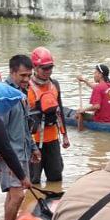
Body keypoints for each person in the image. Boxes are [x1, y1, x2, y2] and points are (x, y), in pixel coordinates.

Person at [0, 54, 41, 220]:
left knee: (12, 195)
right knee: (18, 196)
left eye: (29, 75)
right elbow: (0, 131)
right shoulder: (6, 96)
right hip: (11, 154)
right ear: (12, 72)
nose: (27, 79)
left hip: (22, 152)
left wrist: (33, 148)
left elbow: (23, 126)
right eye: (23, 75)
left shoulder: (21, 94)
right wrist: (3, 155)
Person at [28, 46, 69, 184]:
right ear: (34, 67)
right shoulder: (26, 87)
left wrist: (64, 135)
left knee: (56, 177)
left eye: (50, 67)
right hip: (33, 141)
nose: (48, 71)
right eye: (44, 68)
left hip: (52, 138)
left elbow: (60, 111)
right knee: (33, 180)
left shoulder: (54, 84)